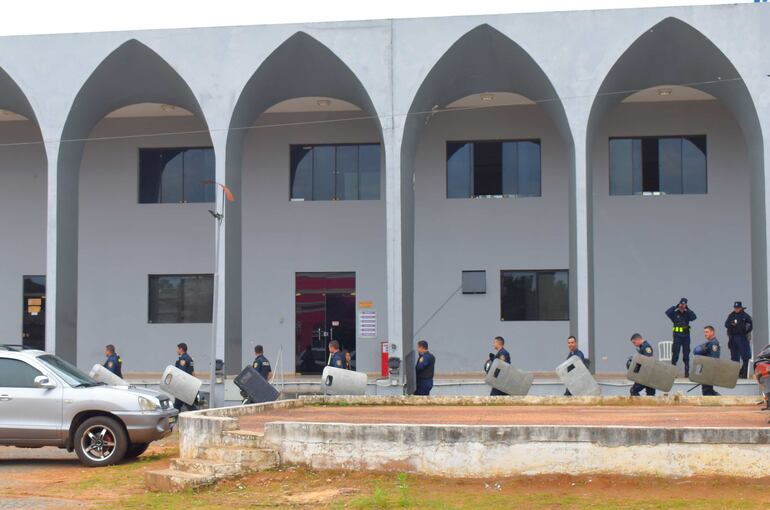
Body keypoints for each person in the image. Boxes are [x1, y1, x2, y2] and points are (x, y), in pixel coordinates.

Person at [665, 298, 697, 377]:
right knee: (675, 354)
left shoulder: (687, 314)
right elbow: (667, 312)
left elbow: (694, 317)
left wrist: (688, 309)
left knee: (686, 354)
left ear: (686, 305)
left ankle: (686, 372)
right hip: (677, 336)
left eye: (684, 305)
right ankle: (672, 372)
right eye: (681, 304)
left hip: (686, 337)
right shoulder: (675, 314)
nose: (682, 306)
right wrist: (675, 306)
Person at [725, 301, 753, 378]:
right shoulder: (731, 315)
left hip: (742, 338)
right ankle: (735, 374)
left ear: (741, 308)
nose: (736, 309)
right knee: (734, 357)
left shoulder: (745, 316)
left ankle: (744, 374)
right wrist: (731, 324)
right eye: (735, 308)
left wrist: (743, 330)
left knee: (745, 357)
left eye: (738, 308)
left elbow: (750, 326)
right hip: (733, 338)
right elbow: (726, 324)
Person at [694, 326, 721, 396]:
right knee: (708, 390)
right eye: (704, 332)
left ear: (712, 332)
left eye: (707, 332)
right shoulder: (710, 343)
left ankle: (717, 401)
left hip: (709, 369)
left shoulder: (713, 343)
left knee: (707, 391)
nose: (705, 334)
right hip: (707, 369)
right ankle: (718, 399)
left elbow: (714, 358)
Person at [173, 342, 195, 410]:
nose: (176, 350)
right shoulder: (190, 358)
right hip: (188, 384)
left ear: (181, 349)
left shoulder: (183, 359)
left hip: (183, 386)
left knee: (178, 405)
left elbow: (181, 372)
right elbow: (193, 372)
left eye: (177, 349)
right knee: (181, 404)